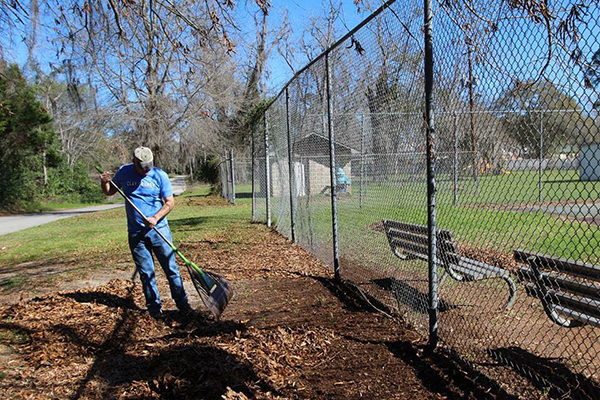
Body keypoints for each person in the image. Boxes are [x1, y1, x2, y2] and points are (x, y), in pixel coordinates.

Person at [100, 146, 192, 318]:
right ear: (134, 161)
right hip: (136, 234)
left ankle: (183, 305)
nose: (146, 170)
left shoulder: (160, 175)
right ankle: (154, 309)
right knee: (146, 273)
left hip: (159, 231)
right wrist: (105, 182)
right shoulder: (124, 172)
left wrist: (156, 217)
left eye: (148, 166)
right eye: (142, 167)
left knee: (171, 269)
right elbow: (109, 192)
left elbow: (169, 202)